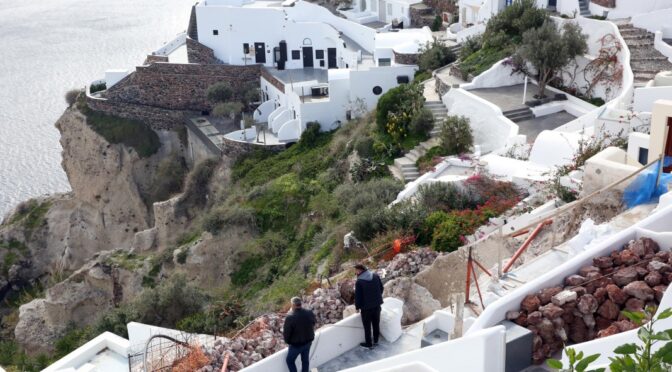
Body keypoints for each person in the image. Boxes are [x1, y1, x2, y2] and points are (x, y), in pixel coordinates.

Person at [354, 263, 384, 349]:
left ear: (360, 270)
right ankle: (376, 340)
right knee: (376, 323)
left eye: (356, 270)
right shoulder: (375, 276)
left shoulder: (359, 282)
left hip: (366, 309)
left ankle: (369, 343)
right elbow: (381, 288)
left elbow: (358, 297)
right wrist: (377, 298)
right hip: (377, 305)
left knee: (367, 326)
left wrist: (357, 307)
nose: (355, 272)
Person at [283, 296, 316, 372]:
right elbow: (313, 323)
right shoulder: (309, 312)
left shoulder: (290, 317)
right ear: (300, 304)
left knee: (290, 361)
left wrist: (288, 342)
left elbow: (286, 334)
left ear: (293, 305)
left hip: (296, 345)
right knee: (305, 360)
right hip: (308, 342)